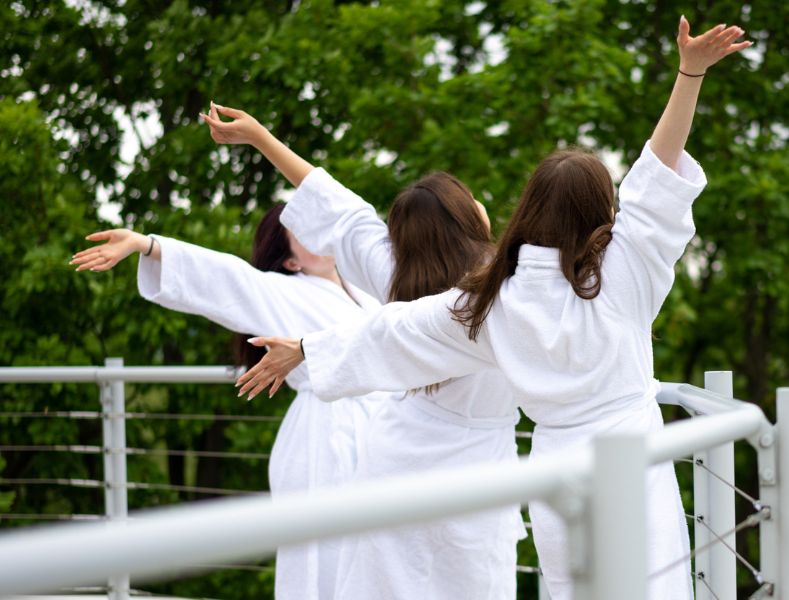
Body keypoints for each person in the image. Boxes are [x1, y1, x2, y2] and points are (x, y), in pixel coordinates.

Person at [234, 16, 750, 599]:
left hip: (557, 473)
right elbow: (655, 180)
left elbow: (395, 331)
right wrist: (689, 73)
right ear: (601, 214)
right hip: (631, 460)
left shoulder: (489, 301)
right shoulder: (626, 273)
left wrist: (306, 349)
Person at [198, 104, 526, 600]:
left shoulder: (397, 275)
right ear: (470, 218)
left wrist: (262, 138)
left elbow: (340, 212)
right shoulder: (508, 291)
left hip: (397, 461)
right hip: (474, 476)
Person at [70, 206, 391, 600]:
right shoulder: (280, 291)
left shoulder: (369, 289)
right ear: (290, 259)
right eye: (304, 235)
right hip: (324, 440)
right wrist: (148, 245)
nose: (320, 237)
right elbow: (227, 278)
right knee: (320, 553)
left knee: (376, 550)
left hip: (379, 430)